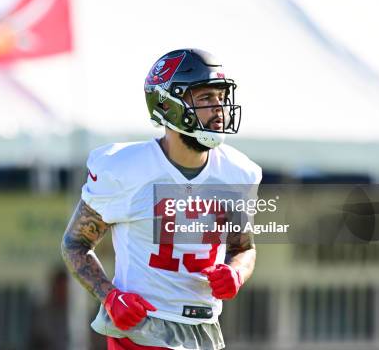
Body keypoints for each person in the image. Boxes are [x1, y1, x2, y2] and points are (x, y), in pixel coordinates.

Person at [61, 49, 261, 350]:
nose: (219, 109)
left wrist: (236, 272)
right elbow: (75, 244)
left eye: (221, 98)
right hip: (141, 330)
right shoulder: (125, 168)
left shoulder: (238, 172)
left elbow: (244, 247)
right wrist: (110, 296)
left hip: (204, 331)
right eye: (205, 98)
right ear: (168, 105)